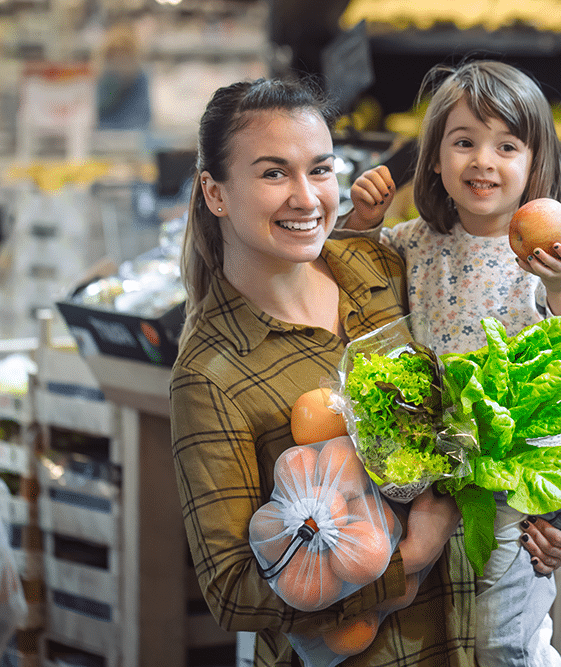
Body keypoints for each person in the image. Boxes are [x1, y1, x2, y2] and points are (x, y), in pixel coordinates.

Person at [170, 76, 477, 667]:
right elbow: (231, 591)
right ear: (215, 193)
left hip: (467, 640)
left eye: (320, 169)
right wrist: (406, 561)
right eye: (273, 173)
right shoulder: (211, 373)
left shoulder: (378, 265)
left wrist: (551, 516)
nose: (307, 198)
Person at [344, 59, 561, 667]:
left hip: (523, 471)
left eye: (506, 145)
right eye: (463, 142)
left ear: (535, 164)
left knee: (503, 639)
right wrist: (361, 219)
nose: (483, 160)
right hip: (445, 471)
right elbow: (348, 268)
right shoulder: (413, 241)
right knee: (451, 630)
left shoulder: (556, 255)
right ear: (434, 159)